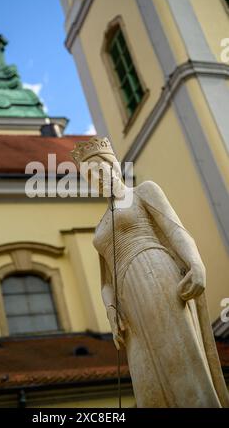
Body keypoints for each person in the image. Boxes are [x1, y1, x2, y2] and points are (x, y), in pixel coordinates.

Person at [71, 136, 229, 408]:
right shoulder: (99, 228)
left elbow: (175, 230)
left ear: (113, 167)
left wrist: (195, 263)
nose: (95, 177)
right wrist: (111, 312)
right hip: (127, 303)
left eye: (98, 168)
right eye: (88, 175)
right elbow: (105, 282)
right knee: (146, 380)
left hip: (156, 274)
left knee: (179, 357)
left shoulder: (143, 192)